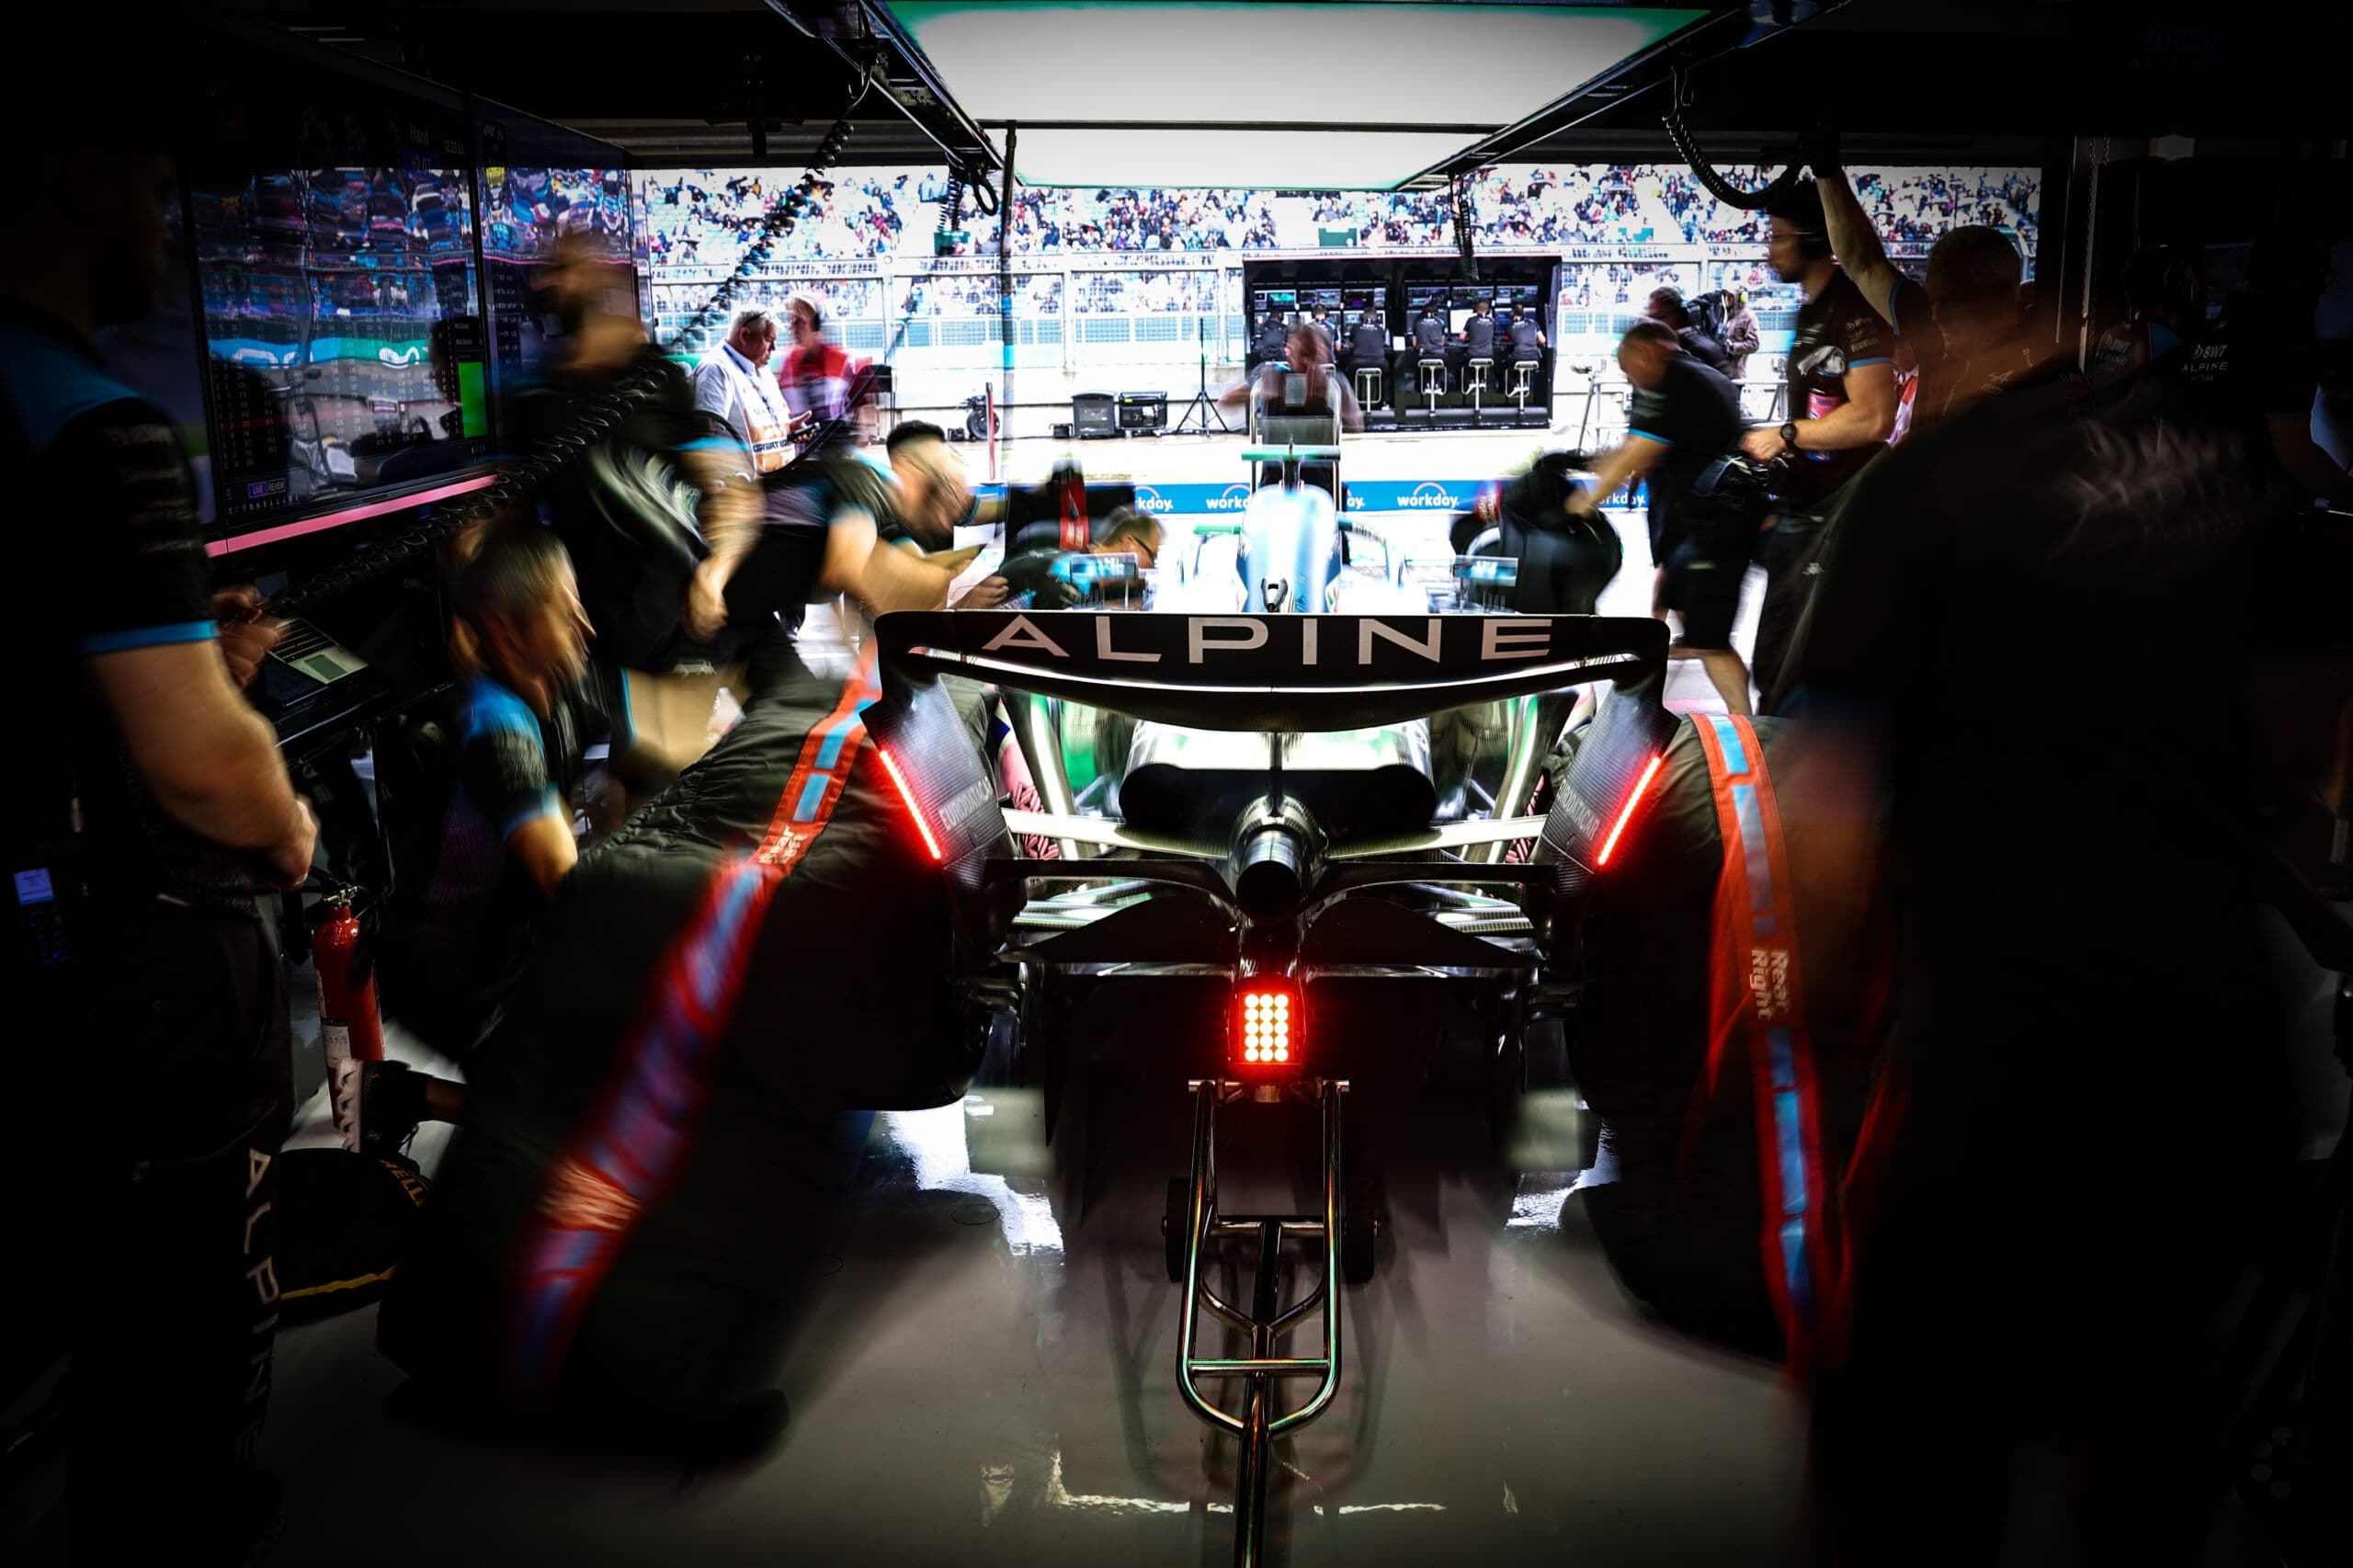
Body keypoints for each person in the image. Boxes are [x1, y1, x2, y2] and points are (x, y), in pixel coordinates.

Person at [1777, 318, 2298, 1568]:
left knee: (1909, 1457)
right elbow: (2309, 746)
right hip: (2219, 1030)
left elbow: (1827, 829)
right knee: (2151, 1430)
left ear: (1943, 348)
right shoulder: (2232, 472)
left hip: (1996, 1054)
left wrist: (1803, 1030)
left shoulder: (1920, 495)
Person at [3, 56, 314, 1562]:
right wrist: (290, 820)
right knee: (179, 1334)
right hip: (129, 963)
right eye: (148, 178)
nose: (169, 215)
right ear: (67, 174)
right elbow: (202, 763)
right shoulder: (97, 427)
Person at [1740, 180, 1898, 711]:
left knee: (1797, 672)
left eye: (1778, 238)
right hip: (1806, 511)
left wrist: (1785, 435)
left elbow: (1875, 416)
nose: (1770, 250)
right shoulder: (1812, 309)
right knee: (1773, 667)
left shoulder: (1854, 309)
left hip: (1842, 517)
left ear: (1812, 241)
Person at [1568, 321, 1752, 712]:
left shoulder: (1673, 383)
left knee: (1710, 642)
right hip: (1699, 522)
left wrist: (1586, 502)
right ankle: (1670, 658)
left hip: (1717, 526)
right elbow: (1638, 449)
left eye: (1629, 370)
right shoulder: (1690, 374)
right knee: (1679, 600)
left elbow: (1639, 451)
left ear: (1646, 355)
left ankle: (1744, 720)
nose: (1630, 380)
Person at [1812, 159, 2037, 432]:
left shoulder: (2038, 378)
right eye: (1933, 301)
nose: (1936, 316)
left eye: (1953, 304)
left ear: (2002, 302)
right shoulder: (1935, 333)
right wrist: (1825, 168)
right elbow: (1863, 264)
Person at [688, 305, 797, 474]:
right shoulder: (715, 369)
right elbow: (705, 437)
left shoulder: (761, 367)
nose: (774, 349)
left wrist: (787, 429)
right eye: (768, 340)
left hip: (778, 481)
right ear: (745, 335)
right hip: (744, 489)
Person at [777, 290, 867, 439]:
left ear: (815, 326)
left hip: (835, 452)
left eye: (799, 321)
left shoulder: (841, 360)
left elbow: (861, 408)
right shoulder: (787, 362)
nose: (792, 327)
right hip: (798, 455)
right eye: (791, 320)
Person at [1646, 286, 1730, 372]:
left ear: (1677, 315)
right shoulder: (1657, 348)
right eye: (1649, 318)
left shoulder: (1702, 351)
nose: (1653, 324)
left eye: (1659, 317)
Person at [1721, 289, 1761, 381]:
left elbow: (1754, 344)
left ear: (1740, 298)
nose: (1728, 300)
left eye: (1731, 297)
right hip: (1721, 371)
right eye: (1726, 296)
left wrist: (1732, 346)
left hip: (1735, 374)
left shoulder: (1748, 316)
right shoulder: (1725, 314)